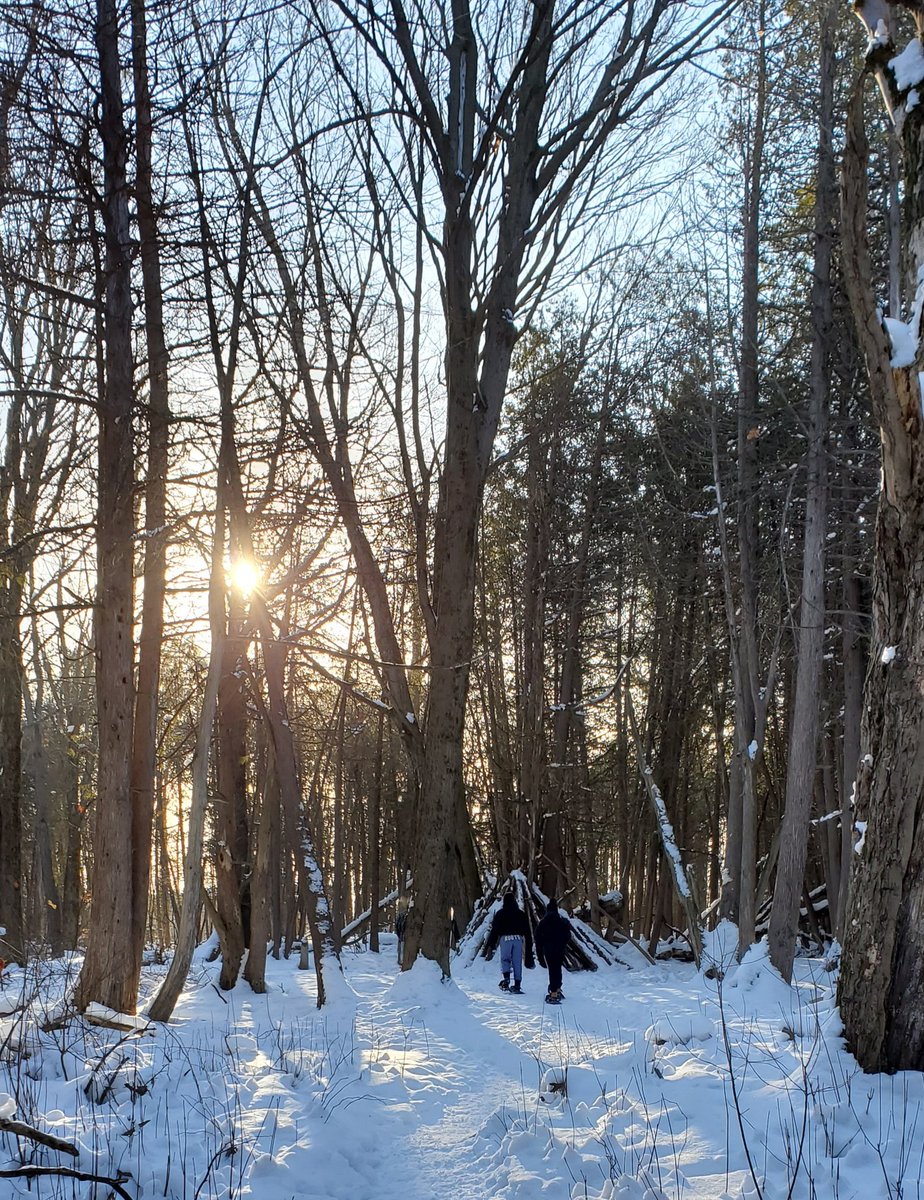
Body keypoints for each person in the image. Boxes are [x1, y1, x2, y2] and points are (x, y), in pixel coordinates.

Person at [486, 892, 532, 994]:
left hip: (505, 938)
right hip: (518, 939)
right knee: (517, 961)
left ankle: (506, 978)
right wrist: (529, 944)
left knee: (505, 959)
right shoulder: (521, 914)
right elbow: (527, 931)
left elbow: (495, 930)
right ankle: (517, 984)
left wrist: (491, 944)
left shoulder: (500, 914)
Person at [535, 896, 571, 1003]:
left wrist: (540, 952)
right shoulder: (562, 921)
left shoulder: (543, 923)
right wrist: (563, 943)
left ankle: (553, 992)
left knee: (552, 970)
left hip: (548, 949)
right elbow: (568, 935)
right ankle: (558, 988)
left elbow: (538, 938)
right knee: (558, 968)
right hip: (559, 948)